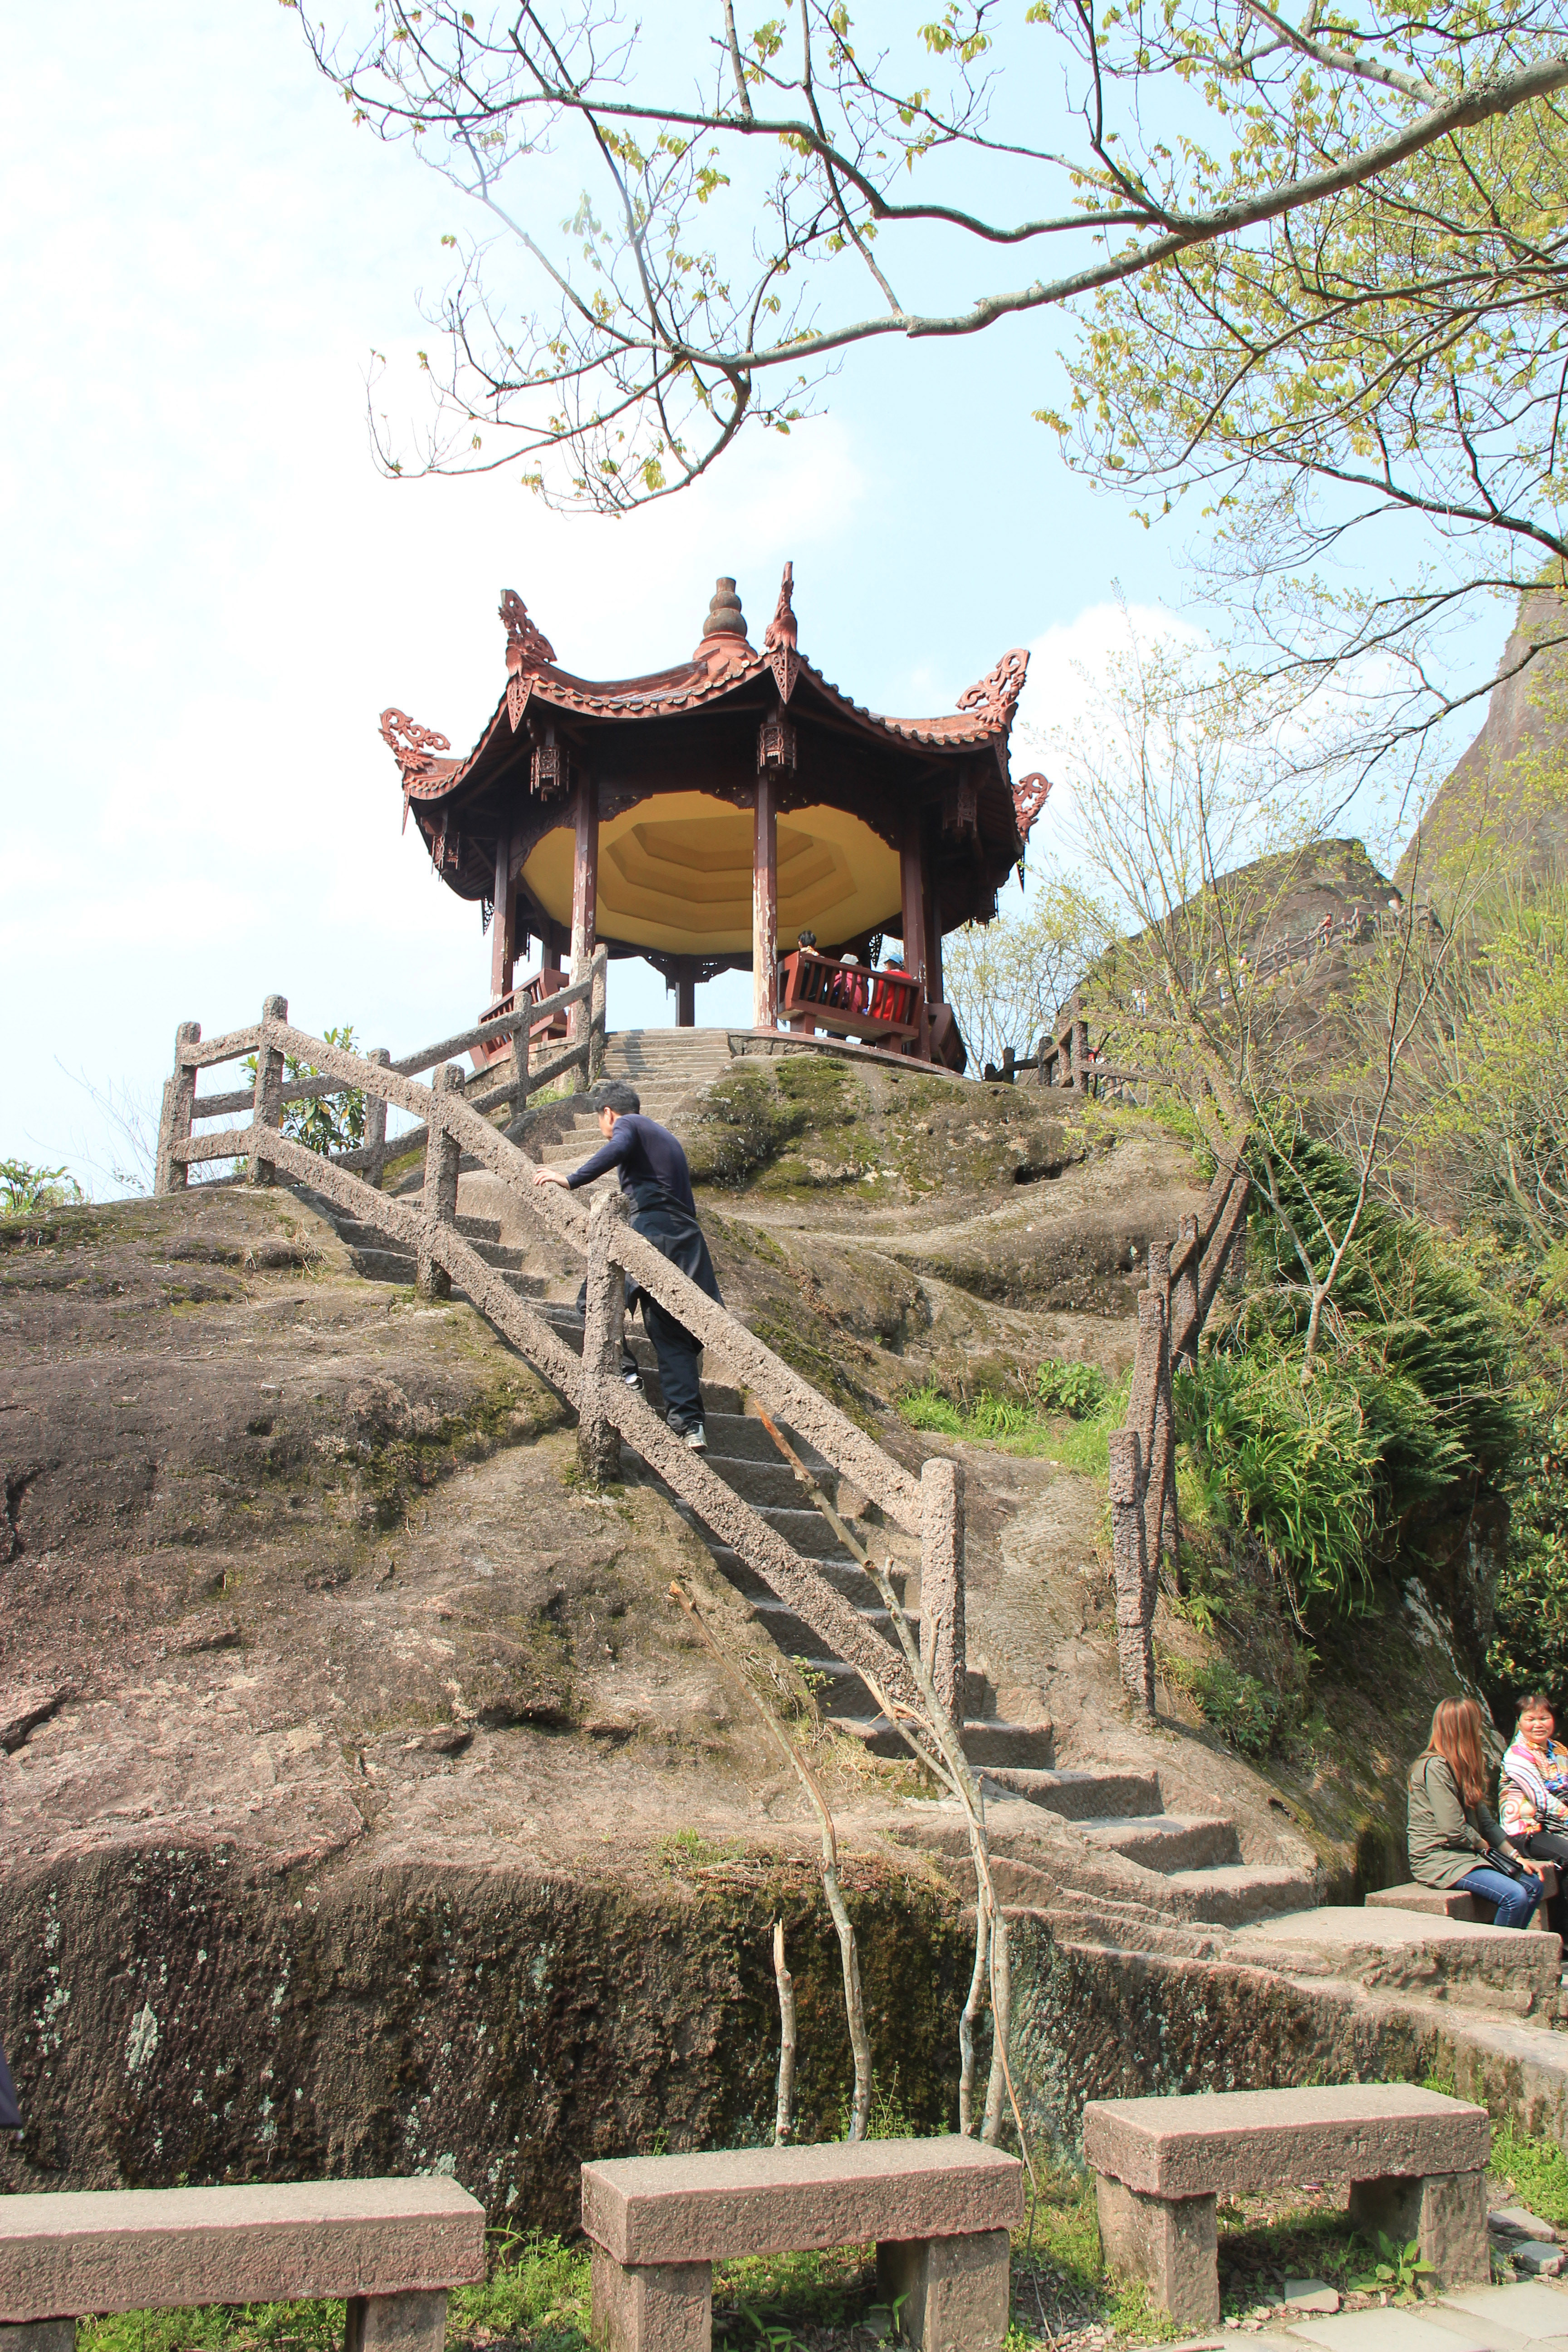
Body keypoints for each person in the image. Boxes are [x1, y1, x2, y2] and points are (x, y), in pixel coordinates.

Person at [533, 1079, 721, 1451]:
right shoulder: (665, 1137)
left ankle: (626, 1374)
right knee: (672, 1332)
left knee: (595, 1300)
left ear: (608, 1113)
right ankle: (690, 1426)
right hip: (686, 1239)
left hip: (651, 1230)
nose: (604, 1131)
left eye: (601, 1122)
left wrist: (570, 1180)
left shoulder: (629, 1125)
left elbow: (618, 1146)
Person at [1407, 1696, 1544, 1927]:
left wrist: (1515, 1857)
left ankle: (1510, 1950)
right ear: (1464, 1729)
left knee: (1533, 1885)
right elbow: (1453, 1829)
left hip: (1467, 1855)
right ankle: (1497, 1960)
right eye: (1476, 1725)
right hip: (1439, 1859)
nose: (1480, 1731)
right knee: (1515, 1896)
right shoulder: (1434, 1767)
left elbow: (1486, 1823)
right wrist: (1486, 1848)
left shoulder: (1463, 1765)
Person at [1500, 1693, 1568, 1937]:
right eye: (1530, 1719)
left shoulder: (1558, 1751)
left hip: (1555, 1827)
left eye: (1544, 1718)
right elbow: (1541, 1799)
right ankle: (1564, 1937)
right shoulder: (1517, 1756)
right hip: (1526, 1831)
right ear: (1519, 1722)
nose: (1538, 1724)